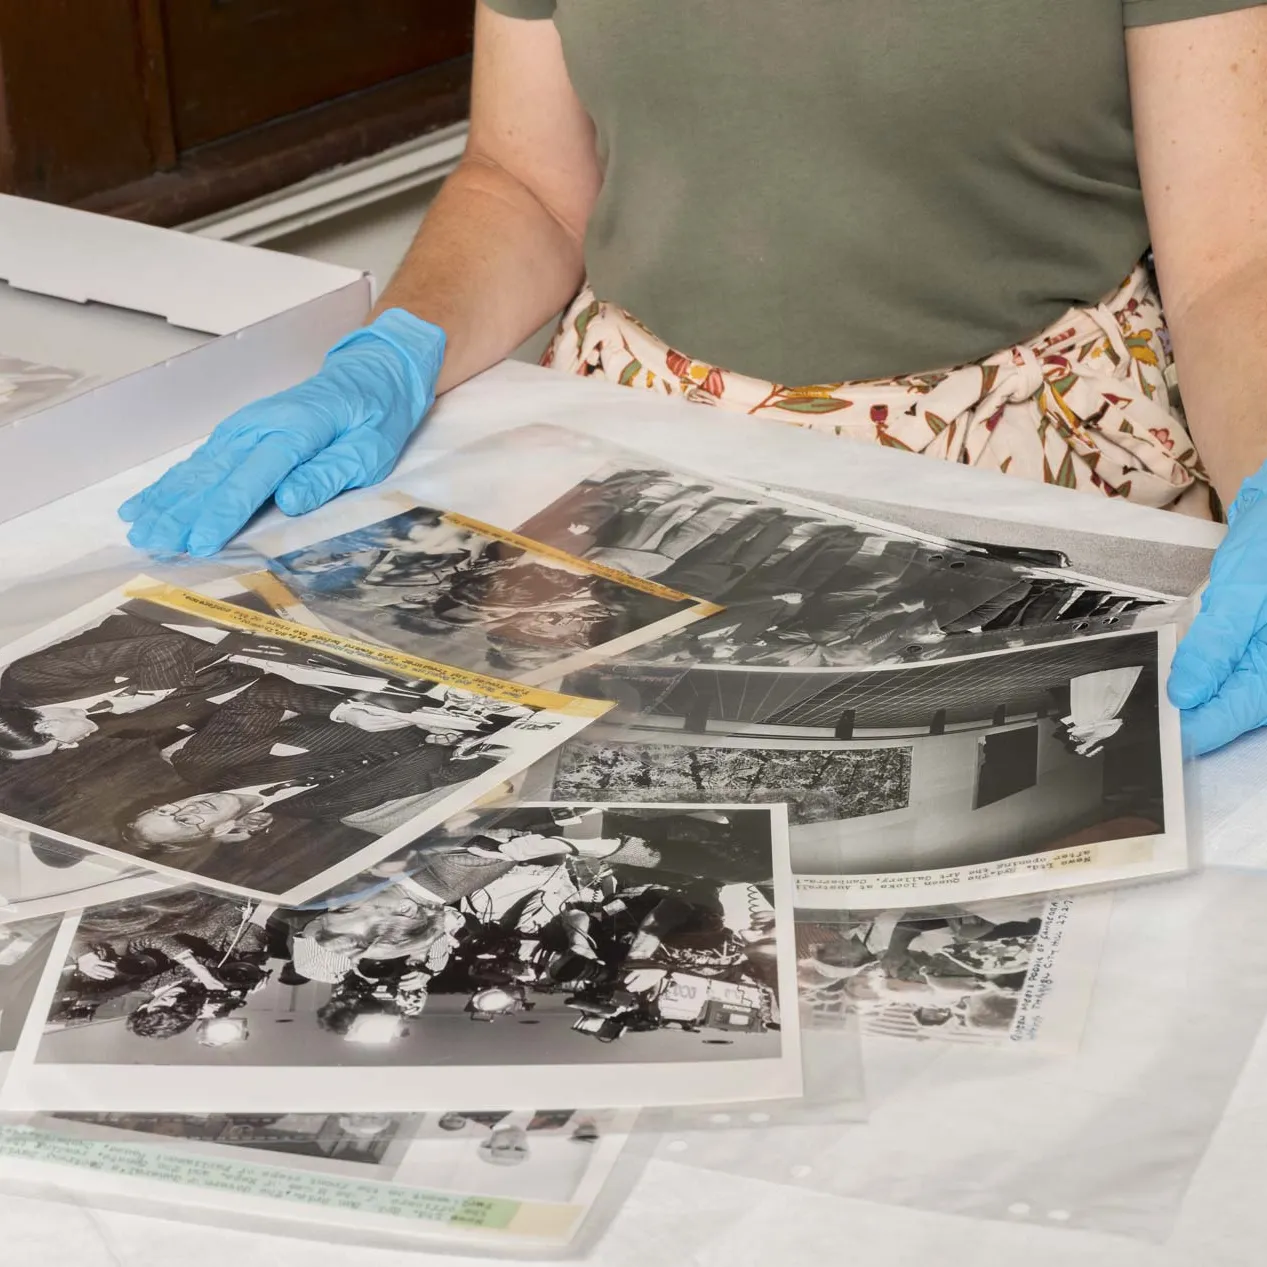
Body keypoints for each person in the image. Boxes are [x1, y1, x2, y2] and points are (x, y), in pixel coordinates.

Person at [119, 4, 1267, 756]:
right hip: (631, 472)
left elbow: (1230, 266)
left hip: (1036, 478)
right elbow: (526, 180)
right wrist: (387, 354)